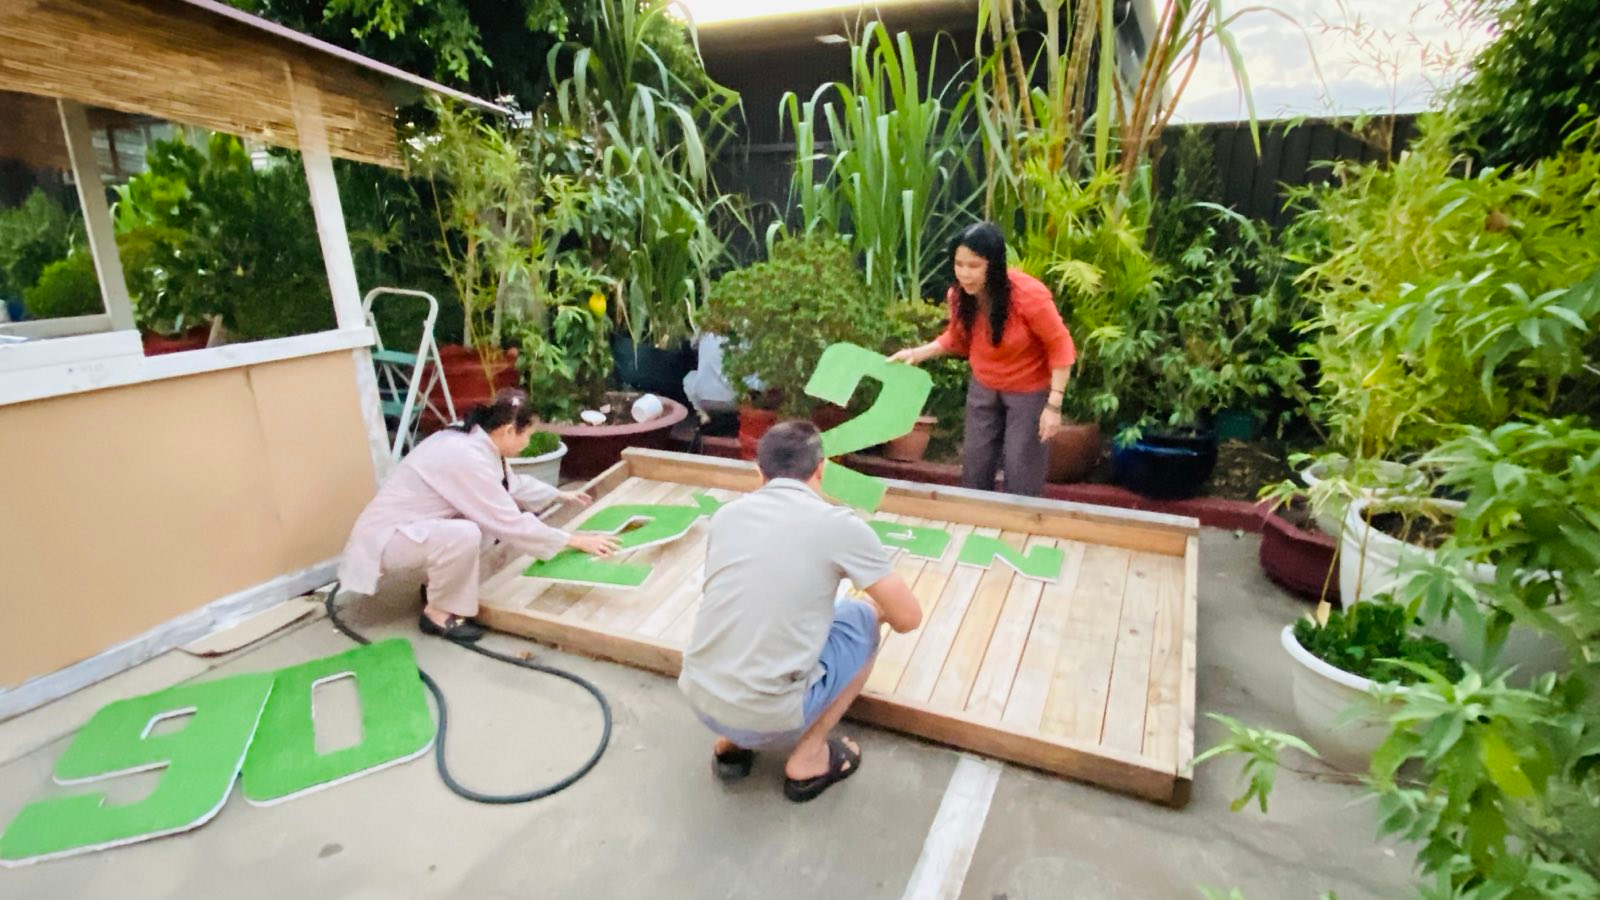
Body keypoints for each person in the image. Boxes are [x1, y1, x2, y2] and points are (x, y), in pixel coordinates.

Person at [679, 422, 922, 802]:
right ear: (820, 468)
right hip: (771, 716)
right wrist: (871, 601)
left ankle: (732, 742)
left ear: (759, 472)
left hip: (699, 696)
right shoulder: (839, 526)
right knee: (862, 618)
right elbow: (908, 618)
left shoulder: (727, 516)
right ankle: (809, 757)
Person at [336, 388, 621, 643]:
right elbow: (509, 522)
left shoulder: (475, 440)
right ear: (509, 431)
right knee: (466, 533)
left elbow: (505, 485)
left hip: (409, 530)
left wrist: (558, 494)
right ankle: (437, 614)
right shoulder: (466, 455)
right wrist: (574, 540)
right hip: (386, 540)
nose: (527, 442)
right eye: (528, 435)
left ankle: (435, 587)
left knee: (477, 524)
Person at [888, 221, 1076, 497]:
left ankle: (1017, 522)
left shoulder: (1028, 295)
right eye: (959, 264)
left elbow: (1060, 346)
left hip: (1028, 391)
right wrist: (918, 353)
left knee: (1021, 472)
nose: (965, 274)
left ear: (994, 264)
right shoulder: (958, 296)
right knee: (975, 469)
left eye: (974, 266)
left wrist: (1053, 406)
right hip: (984, 387)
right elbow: (957, 338)